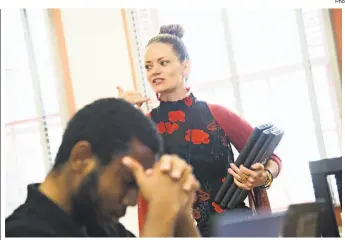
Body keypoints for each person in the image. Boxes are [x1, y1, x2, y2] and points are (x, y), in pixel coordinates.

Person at [118, 24, 282, 237]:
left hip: (234, 231)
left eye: (163, 63)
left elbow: (273, 158)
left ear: (185, 67)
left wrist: (265, 176)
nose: (155, 71)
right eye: (148, 66)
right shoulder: (144, 127)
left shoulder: (217, 114)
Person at [5, 98, 201, 237]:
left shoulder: (102, 228)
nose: (133, 201)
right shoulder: (19, 233)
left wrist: (180, 211)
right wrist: (161, 212)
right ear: (81, 158)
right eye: (127, 182)